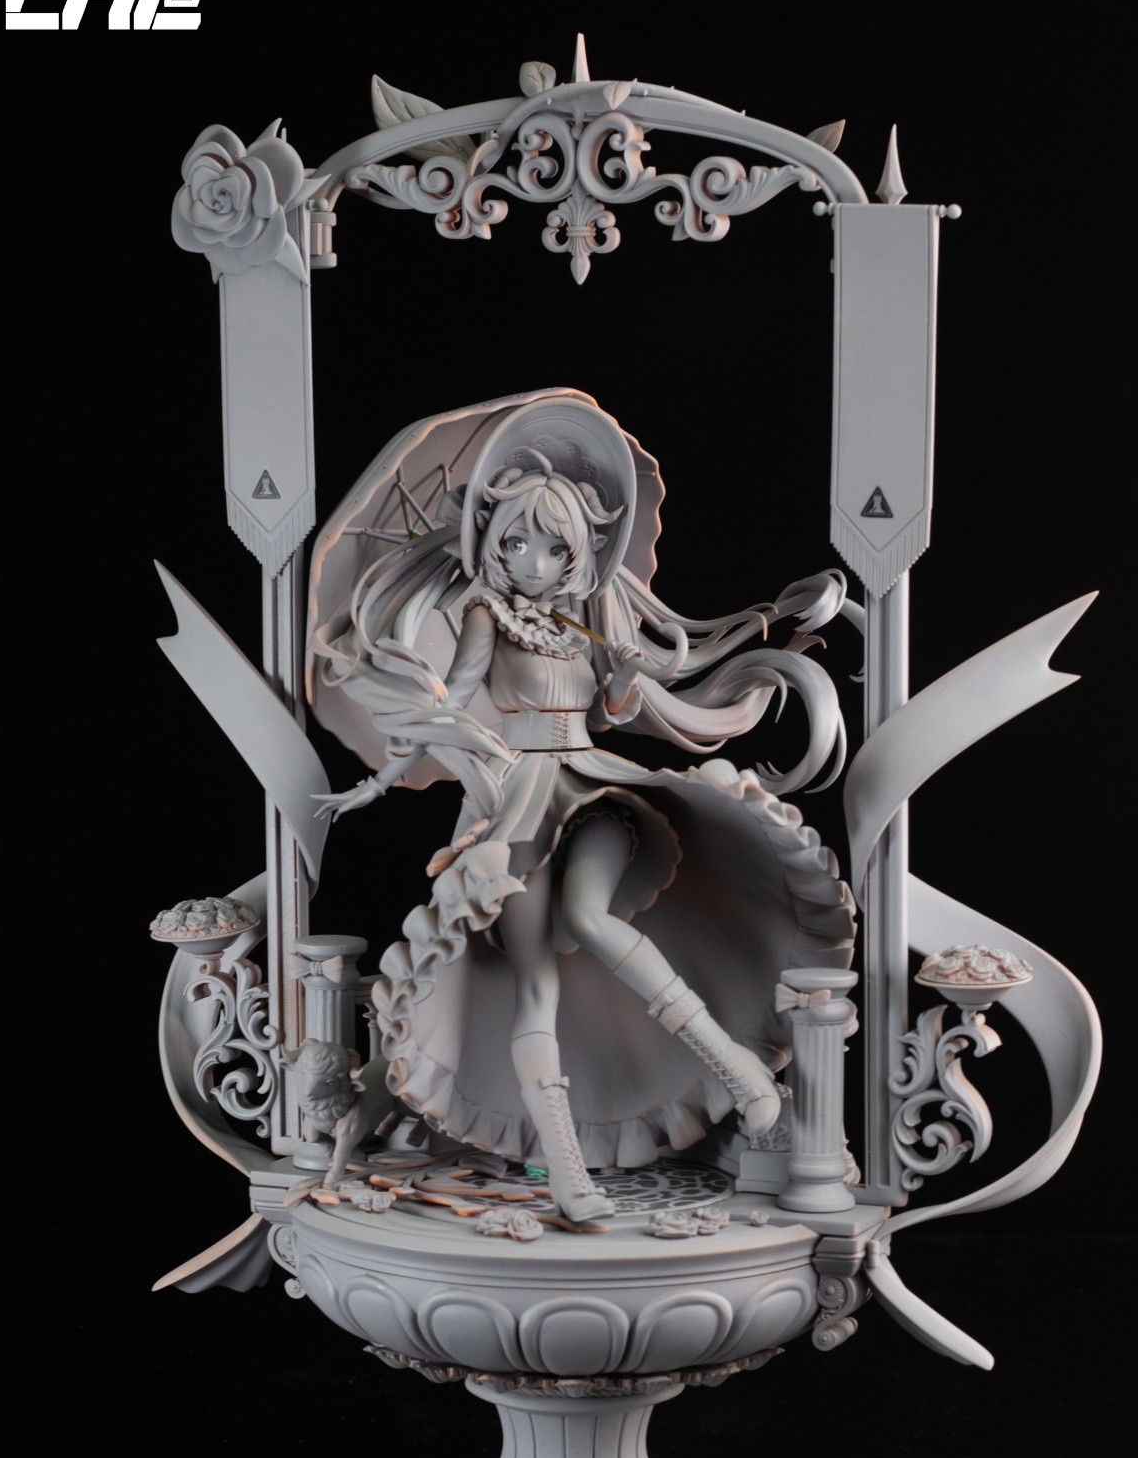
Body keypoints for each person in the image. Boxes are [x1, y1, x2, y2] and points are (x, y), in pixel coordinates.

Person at [310, 394, 855, 1220]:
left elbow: (619, 702)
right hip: (514, 802)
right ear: (489, 542)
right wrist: (388, 765)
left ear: (582, 549)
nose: (532, 561)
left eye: (553, 545)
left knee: (593, 918)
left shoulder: (590, 618)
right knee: (535, 984)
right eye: (515, 542)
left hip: (590, 783)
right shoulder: (486, 613)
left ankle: (738, 1069)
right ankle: (567, 1171)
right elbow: (450, 700)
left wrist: (632, 673)